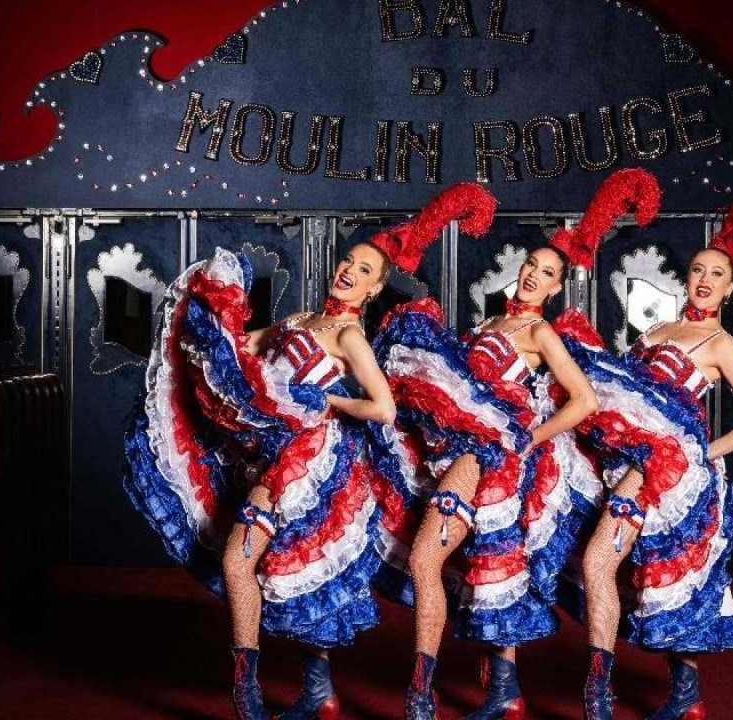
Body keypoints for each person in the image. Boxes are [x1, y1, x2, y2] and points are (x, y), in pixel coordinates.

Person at [124, 183, 493, 720]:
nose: (349, 271)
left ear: (373, 290)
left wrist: (328, 400)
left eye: (364, 271)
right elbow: (241, 349)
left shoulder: (350, 338)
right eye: (348, 261)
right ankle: (264, 688)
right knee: (246, 561)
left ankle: (295, 691)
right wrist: (207, 310)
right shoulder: (298, 320)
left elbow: (385, 409)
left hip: (316, 463)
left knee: (294, 568)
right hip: (272, 453)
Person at [370, 169, 664, 720]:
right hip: (452, 449)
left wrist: (531, 437)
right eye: (530, 266)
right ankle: (501, 691)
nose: (532, 275)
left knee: (441, 560)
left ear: (557, 287)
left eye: (545, 272)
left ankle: (423, 697)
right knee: (483, 570)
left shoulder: (540, 333)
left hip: (491, 459)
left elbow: (581, 400)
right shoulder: (488, 327)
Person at [568, 179, 733, 720]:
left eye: (717, 274)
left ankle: (598, 694)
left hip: (667, 469)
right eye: (698, 270)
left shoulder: (720, 345)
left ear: (731, 287)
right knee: (650, 572)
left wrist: (702, 452)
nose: (705, 280)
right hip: (627, 460)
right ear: (686, 278)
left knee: (605, 561)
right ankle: (684, 692)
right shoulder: (657, 330)